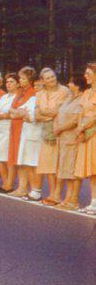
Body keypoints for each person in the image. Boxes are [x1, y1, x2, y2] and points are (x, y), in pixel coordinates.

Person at [35, 68, 70, 204]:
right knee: (48, 164)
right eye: (48, 78)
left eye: (53, 76)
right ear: (43, 81)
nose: (51, 79)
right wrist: (46, 114)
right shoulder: (40, 94)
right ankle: (52, 193)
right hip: (46, 132)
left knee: (58, 164)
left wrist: (44, 113)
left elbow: (59, 111)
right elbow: (37, 115)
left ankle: (58, 195)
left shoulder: (64, 91)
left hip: (59, 131)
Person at [52, 74, 86, 210]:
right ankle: (67, 198)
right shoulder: (69, 98)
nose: (68, 85)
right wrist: (56, 126)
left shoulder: (81, 99)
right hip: (62, 138)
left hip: (72, 138)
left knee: (71, 169)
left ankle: (73, 199)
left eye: (71, 83)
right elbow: (59, 114)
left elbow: (75, 120)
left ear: (77, 85)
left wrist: (60, 128)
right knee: (64, 168)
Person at [9, 67, 41, 199]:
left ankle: (25, 187)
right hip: (16, 126)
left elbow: (22, 112)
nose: (20, 80)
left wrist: (16, 113)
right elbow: (12, 109)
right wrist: (16, 113)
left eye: (23, 78)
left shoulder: (32, 92)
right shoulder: (21, 91)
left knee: (25, 158)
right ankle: (21, 187)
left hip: (24, 126)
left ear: (30, 80)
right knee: (19, 158)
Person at [0, 73, 20, 193]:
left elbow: (14, 113)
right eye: (7, 82)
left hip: (11, 129)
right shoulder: (4, 97)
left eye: (12, 82)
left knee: (9, 158)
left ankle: (9, 184)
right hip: (1, 129)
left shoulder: (18, 97)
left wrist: (4, 115)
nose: (8, 84)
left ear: (18, 84)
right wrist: (1, 115)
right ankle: (6, 180)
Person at [74, 62, 96, 215]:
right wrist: (79, 128)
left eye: (89, 73)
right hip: (85, 132)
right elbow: (81, 112)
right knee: (92, 171)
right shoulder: (87, 92)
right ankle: (93, 202)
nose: (85, 76)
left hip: (94, 132)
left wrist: (83, 127)